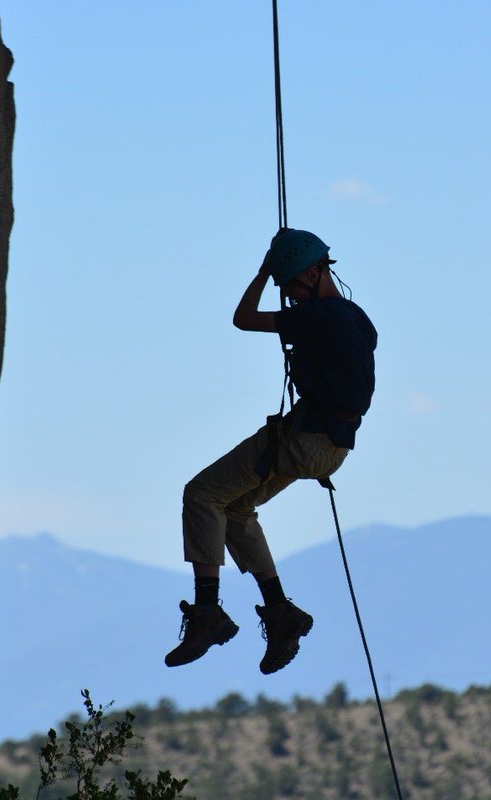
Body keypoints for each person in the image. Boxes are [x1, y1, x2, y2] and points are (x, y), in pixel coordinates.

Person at [166, 229, 377, 674]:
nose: (288, 295)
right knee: (236, 508)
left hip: (303, 439)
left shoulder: (318, 316)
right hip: (331, 448)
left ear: (314, 273)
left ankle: (207, 614)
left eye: (290, 285)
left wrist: (264, 271)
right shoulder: (355, 317)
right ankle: (280, 612)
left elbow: (243, 318)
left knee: (202, 494)